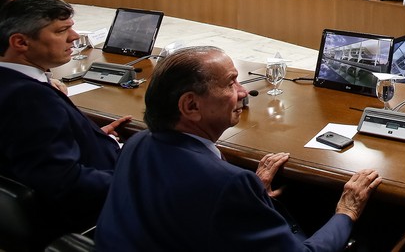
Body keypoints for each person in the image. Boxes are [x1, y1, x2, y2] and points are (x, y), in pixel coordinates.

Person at [95, 46, 381, 251]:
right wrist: (347, 210)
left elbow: (183, 204)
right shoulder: (228, 183)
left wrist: (249, 193)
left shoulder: (137, 143)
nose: (244, 92)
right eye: (231, 83)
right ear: (191, 106)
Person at [0, 0, 131, 245]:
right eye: (62, 30)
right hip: (94, 216)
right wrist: (133, 182)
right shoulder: (28, 97)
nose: (74, 36)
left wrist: (89, 135)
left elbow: (33, 148)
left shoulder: (11, 82)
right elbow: (63, 182)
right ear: (20, 42)